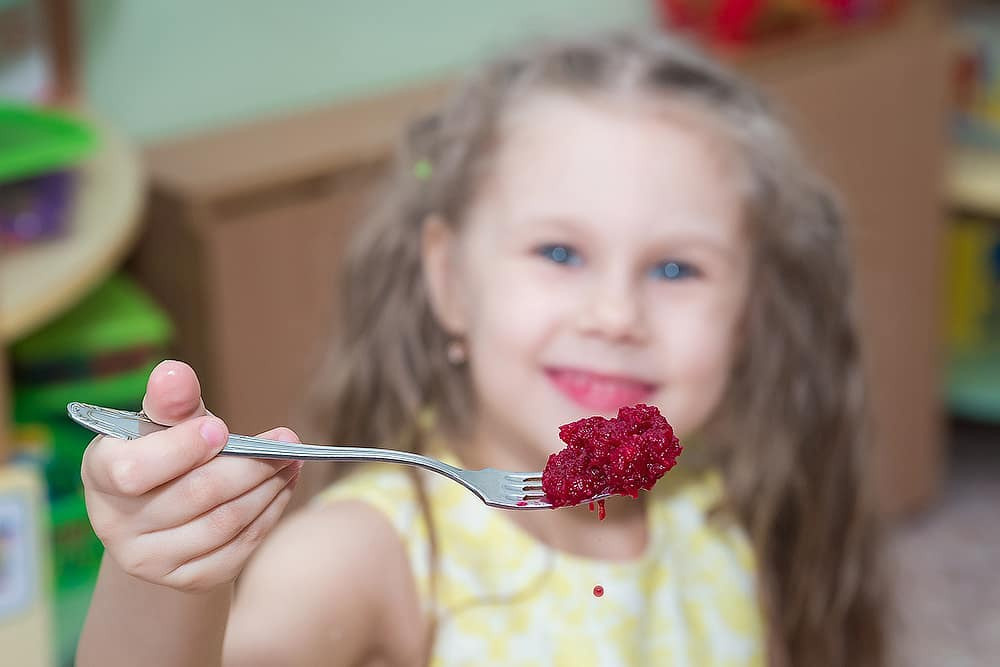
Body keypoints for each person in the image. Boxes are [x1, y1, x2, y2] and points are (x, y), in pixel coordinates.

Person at [76, 29, 885, 667]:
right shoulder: (371, 551)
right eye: (560, 253)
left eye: (676, 267)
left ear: (748, 314)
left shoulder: (718, 510)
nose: (614, 312)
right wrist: (159, 577)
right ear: (450, 281)